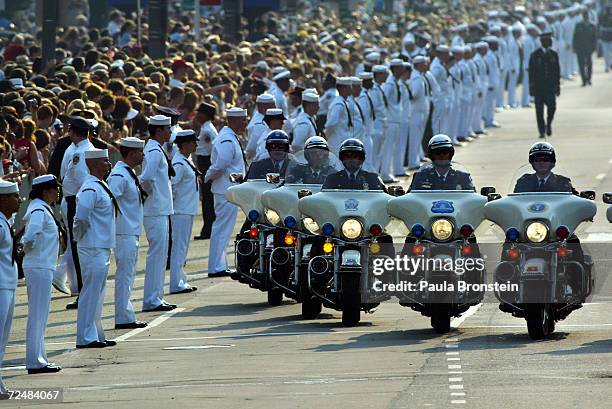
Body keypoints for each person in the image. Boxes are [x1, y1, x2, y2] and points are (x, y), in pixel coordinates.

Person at [73, 148, 118, 348]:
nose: (108, 165)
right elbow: (80, 218)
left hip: (101, 246)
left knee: (98, 294)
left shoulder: (100, 185)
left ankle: (95, 333)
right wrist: (82, 238)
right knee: (90, 293)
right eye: (105, 161)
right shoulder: (90, 188)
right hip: (92, 246)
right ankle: (85, 336)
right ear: (92, 164)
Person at [22, 175, 62, 374]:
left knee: (40, 315)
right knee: (38, 315)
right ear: (45, 190)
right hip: (38, 266)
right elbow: (31, 236)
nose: (57, 192)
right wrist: (26, 249)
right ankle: (35, 361)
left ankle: (39, 359)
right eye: (55, 189)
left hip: (41, 266)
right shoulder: (39, 209)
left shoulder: (41, 207)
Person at [107, 137, 148, 329]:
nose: (142, 155)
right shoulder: (119, 176)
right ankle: (123, 317)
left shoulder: (128, 173)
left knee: (128, 275)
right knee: (124, 275)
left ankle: (126, 314)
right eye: (140, 152)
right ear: (131, 153)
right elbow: (108, 201)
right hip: (123, 232)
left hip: (130, 230)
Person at [140, 115, 177, 312]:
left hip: (159, 208)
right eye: (167, 129)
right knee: (157, 255)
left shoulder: (156, 149)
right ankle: (152, 299)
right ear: (160, 130)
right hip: (155, 210)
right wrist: (147, 198)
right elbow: (145, 179)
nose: (170, 132)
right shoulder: (154, 150)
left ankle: (155, 297)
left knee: (160, 255)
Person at [205, 107, 247, 277]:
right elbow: (220, 165)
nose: (245, 123)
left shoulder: (230, 137)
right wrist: (207, 177)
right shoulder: (226, 140)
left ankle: (219, 264)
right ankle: (216, 266)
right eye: (242, 120)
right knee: (221, 229)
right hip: (224, 190)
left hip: (228, 190)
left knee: (224, 229)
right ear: (234, 121)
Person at [59, 116, 94, 309]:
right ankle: (82, 291)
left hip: (78, 201)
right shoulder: (74, 149)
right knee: (78, 249)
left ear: (74, 131)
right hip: (71, 201)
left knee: (81, 249)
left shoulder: (82, 153)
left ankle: (84, 293)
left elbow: (82, 183)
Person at [169, 130, 199, 294]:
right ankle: (176, 283)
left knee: (183, 247)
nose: (196, 144)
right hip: (180, 210)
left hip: (186, 209)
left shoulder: (186, 160)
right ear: (185, 144)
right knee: (179, 247)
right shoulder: (179, 163)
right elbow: (172, 186)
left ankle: (180, 279)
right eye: (193, 142)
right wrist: (174, 206)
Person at [0, 180, 21, 396]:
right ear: (3, 199)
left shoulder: (5, 222)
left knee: (2, 340)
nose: (19, 199)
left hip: (7, 284)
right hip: (1, 286)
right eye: (14, 196)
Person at [409, 134, 474, 191]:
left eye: (445, 152)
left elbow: (473, 198)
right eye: (438, 152)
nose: (442, 155)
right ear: (431, 155)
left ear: (450, 154)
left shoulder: (463, 177)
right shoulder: (421, 176)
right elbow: (409, 198)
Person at [528, 32, 561, 138]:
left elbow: (557, 71)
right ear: (542, 41)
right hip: (539, 87)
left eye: (549, 40)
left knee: (552, 107)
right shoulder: (535, 55)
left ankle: (549, 124)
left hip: (550, 87)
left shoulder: (554, 54)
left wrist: (558, 85)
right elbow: (531, 72)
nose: (548, 42)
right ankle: (541, 131)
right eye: (546, 40)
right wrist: (531, 86)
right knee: (539, 110)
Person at [194, 102, 218, 240]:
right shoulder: (206, 128)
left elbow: (211, 149)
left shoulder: (208, 130)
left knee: (208, 198)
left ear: (205, 115)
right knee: (207, 198)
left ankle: (208, 229)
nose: (197, 115)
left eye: (199, 113)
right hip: (205, 161)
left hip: (207, 162)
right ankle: (208, 228)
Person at [572, 10, 597, 86]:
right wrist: (574, 47)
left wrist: (594, 47)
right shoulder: (578, 25)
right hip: (580, 48)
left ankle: (589, 79)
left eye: (587, 15)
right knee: (581, 65)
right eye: (584, 15)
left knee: (589, 64)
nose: (585, 16)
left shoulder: (592, 25)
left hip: (589, 48)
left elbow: (594, 38)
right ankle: (583, 81)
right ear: (582, 16)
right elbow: (575, 37)